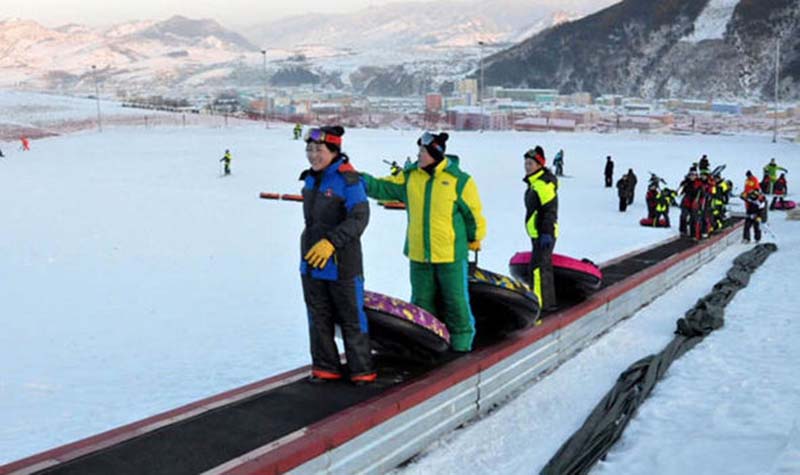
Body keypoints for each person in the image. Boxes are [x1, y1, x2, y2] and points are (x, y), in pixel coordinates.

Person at [361, 132, 486, 352]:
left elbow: (473, 214)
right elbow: (383, 187)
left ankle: (461, 347)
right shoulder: (410, 177)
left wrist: (475, 238)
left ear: (435, 154)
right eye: (418, 151)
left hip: (450, 254)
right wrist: (359, 179)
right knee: (421, 302)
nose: (418, 155)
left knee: (455, 302)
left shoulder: (460, 181)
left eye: (422, 152)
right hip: (419, 254)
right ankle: (428, 345)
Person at [299, 125, 375, 384]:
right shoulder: (311, 178)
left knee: (351, 317)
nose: (312, 155)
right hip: (312, 260)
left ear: (334, 150)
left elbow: (359, 218)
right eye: (309, 149)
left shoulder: (348, 180)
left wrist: (332, 242)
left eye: (319, 150)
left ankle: (361, 370)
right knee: (317, 316)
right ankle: (325, 367)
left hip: (342, 262)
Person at [523, 146, 559, 312]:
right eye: (526, 163)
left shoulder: (543, 184)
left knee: (539, 270)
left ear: (539, 165)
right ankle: (545, 303)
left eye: (530, 163)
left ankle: (542, 306)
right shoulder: (535, 183)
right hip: (538, 233)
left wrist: (546, 233)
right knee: (539, 267)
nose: (527, 166)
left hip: (545, 233)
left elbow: (549, 211)